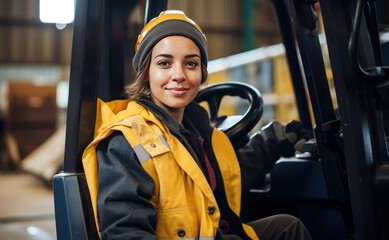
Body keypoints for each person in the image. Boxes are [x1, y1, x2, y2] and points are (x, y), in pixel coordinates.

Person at [82, 10, 312, 240]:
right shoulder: (127, 141)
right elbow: (125, 232)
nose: (179, 75)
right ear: (146, 73)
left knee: (288, 227)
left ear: (201, 73)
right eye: (164, 63)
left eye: (191, 64)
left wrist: (272, 141)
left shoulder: (197, 133)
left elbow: (221, 181)